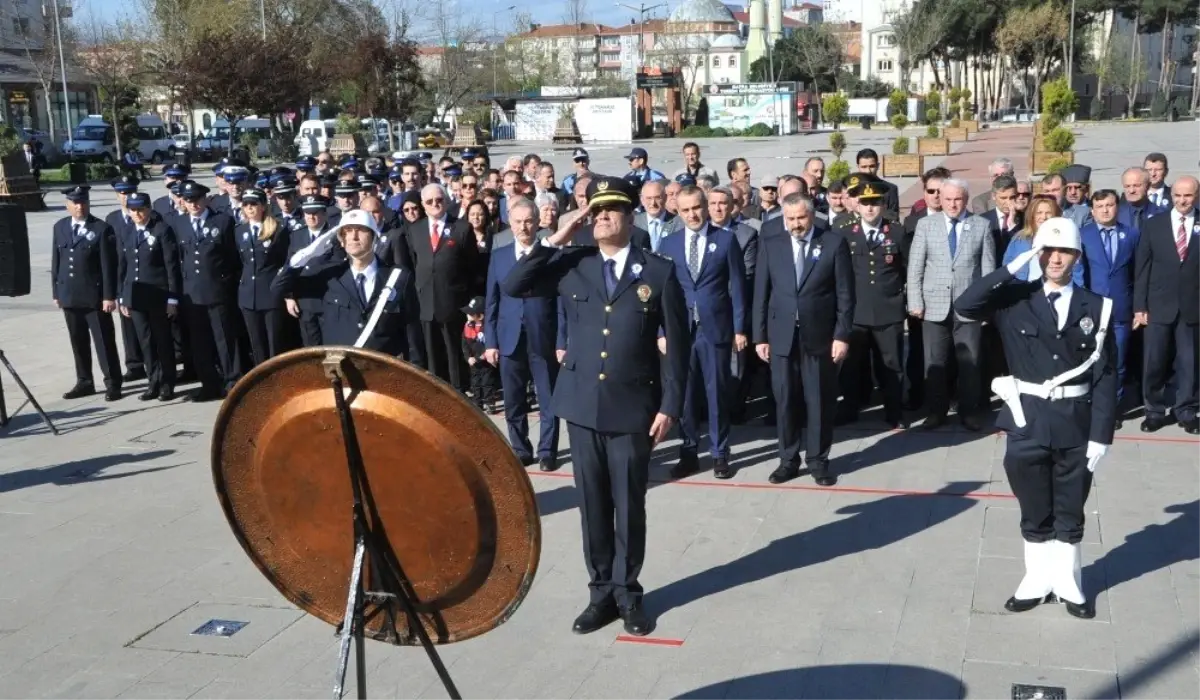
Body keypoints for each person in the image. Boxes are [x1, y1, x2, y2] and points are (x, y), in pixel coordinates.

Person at [501, 176, 688, 637]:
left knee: (629, 505)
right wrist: (559, 234)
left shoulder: (657, 271)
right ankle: (600, 594)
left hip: (632, 409)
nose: (601, 216)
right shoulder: (572, 263)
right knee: (592, 507)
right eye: (594, 210)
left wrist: (670, 405)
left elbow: (680, 348)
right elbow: (514, 284)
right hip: (582, 407)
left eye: (611, 210)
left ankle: (629, 595)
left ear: (629, 217)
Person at [955, 216, 1116, 620]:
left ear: (1076, 256)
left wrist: (1102, 435)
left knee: (1070, 506)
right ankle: (1036, 579)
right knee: (1033, 504)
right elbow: (966, 304)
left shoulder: (1096, 307)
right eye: (1048, 250)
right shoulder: (1014, 300)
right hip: (1027, 420)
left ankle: (1068, 582)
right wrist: (1012, 266)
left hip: (1076, 423)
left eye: (1064, 251)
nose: (1055, 258)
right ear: (1038, 253)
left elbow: (1105, 375)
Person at [752, 193, 854, 486]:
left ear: (812, 215)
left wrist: (842, 335)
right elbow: (761, 294)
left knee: (819, 400)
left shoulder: (833, 243)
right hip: (781, 336)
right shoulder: (772, 246)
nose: (796, 225)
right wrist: (760, 336)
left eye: (801, 218)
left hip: (820, 337)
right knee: (784, 400)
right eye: (790, 219)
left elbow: (846, 296)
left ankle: (818, 460)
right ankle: (788, 460)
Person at [659, 185, 747, 479]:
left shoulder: (725, 240)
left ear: (705, 206)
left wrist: (739, 328)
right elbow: (661, 293)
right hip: (681, 331)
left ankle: (720, 453)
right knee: (684, 394)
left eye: (696, 208)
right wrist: (661, 331)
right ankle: (688, 451)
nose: (692, 214)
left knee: (717, 393)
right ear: (678, 211)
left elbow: (737, 287)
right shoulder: (668, 245)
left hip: (716, 330)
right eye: (685, 210)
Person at [906, 178, 995, 430]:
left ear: (966, 200)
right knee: (935, 362)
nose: (953, 204)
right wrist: (915, 301)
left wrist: (985, 306)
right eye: (948, 199)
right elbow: (915, 267)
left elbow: (988, 270)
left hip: (969, 308)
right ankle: (936, 411)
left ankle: (969, 411)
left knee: (971, 363)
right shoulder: (926, 225)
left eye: (958, 199)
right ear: (939, 200)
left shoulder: (981, 226)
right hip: (933, 306)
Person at [483, 199, 565, 470]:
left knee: (548, 399)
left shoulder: (550, 254)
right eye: (518, 221)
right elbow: (491, 302)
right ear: (509, 220)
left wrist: (561, 341)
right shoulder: (499, 255)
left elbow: (561, 303)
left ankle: (547, 452)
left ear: (537, 220)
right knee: (514, 400)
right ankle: (520, 449)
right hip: (509, 338)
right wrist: (491, 342)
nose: (524, 226)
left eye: (529, 220)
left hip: (543, 336)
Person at [272, 210, 409, 356]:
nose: (354, 237)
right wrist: (306, 255)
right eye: (347, 232)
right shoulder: (329, 277)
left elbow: (411, 335)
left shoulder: (397, 277)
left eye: (361, 230)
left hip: (383, 371)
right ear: (341, 241)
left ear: (374, 237)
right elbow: (277, 288)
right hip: (342, 369)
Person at [836, 179, 906, 427]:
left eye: (874, 203)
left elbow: (905, 269)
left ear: (883, 203)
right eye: (865, 203)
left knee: (891, 364)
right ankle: (850, 409)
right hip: (856, 311)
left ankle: (894, 412)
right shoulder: (845, 232)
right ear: (857, 205)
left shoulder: (896, 232)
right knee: (852, 365)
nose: (870, 208)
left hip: (888, 309)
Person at [1134, 175, 1200, 434]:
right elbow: (1142, 268)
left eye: (1188, 196)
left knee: (1190, 363)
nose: (1183, 201)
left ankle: (1186, 409)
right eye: (1178, 196)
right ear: (1172, 196)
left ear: (1196, 196)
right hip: (1158, 305)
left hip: (1192, 306)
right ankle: (1154, 410)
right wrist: (1139, 306)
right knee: (1154, 361)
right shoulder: (1155, 225)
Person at [401, 183, 479, 392]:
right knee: (431, 353)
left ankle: (459, 391)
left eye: (439, 200)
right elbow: (413, 262)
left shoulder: (461, 228)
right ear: (423, 205)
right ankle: (437, 392)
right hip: (425, 303)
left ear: (446, 201)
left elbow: (473, 267)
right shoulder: (415, 229)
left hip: (453, 303)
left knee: (454, 353)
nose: (435, 204)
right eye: (429, 201)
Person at [52, 185, 123, 401]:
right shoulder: (60, 227)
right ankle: (84, 381)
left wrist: (109, 296)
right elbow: (57, 261)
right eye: (75, 203)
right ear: (68, 205)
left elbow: (108, 266)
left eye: (83, 202)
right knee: (78, 341)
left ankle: (113, 383)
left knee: (103, 341)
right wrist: (57, 291)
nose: (79, 206)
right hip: (70, 295)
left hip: (94, 297)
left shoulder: (101, 228)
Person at [175, 180, 242, 401]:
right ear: (183, 202)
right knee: (200, 342)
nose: (193, 204)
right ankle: (209, 384)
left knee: (225, 340)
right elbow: (178, 260)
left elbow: (233, 259)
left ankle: (232, 382)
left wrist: (227, 285)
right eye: (188, 200)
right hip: (192, 295)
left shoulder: (222, 222)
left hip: (217, 291)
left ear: (205, 199)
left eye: (197, 199)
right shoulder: (178, 224)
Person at [116, 192, 180, 401]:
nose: (137, 214)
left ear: (149, 209)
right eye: (133, 210)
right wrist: (123, 297)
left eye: (141, 209)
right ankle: (153, 381)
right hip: (136, 296)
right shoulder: (127, 232)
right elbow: (123, 267)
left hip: (158, 295)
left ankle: (168, 383)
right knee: (145, 341)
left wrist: (172, 298)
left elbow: (171, 267)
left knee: (162, 340)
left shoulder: (161, 230)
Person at [1080, 188, 1138, 419]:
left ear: (1117, 207)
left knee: (1118, 361)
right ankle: (1090, 405)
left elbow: (1137, 272)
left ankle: (1111, 410)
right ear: (1092, 211)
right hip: (1092, 309)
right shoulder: (1083, 235)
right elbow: (1080, 272)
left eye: (1110, 205)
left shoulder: (1131, 235)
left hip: (1121, 308)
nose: (1105, 210)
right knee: (1091, 360)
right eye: (1100, 206)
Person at [235, 188, 292, 366]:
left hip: (270, 293)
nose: (249, 208)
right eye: (246, 204)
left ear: (263, 206)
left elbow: (286, 263)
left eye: (254, 204)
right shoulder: (239, 230)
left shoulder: (277, 229)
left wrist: (287, 293)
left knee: (275, 343)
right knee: (257, 344)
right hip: (248, 296)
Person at [105, 175, 147, 384]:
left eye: (130, 192)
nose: (126, 196)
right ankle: (134, 364)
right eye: (122, 193)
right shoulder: (112, 219)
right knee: (126, 322)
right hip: (123, 276)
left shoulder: (146, 215)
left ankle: (149, 360)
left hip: (143, 276)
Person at [1004, 196, 1083, 285]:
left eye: (1048, 213)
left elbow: (1076, 270)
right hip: (1024, 291)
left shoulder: (1066, 239)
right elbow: (1007, 266)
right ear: (1032, 216)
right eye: (1039, 213)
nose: (1044, 217)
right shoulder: (1019, 239)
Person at [461, 296, 500, 412]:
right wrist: (468, 357)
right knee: (475, 383)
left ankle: (489, 402)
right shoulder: (467, 327)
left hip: (485, 360)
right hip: (474, 360)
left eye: (471, 313)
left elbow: (489, 343)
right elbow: (465, 343)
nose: (468, 315)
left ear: (481, 315)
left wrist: (483, 355)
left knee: (487, 382)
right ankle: (477, 402)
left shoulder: (487, 328)